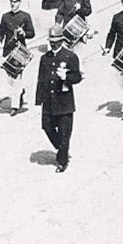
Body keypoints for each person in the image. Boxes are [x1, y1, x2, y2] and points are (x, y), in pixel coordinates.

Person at [36, 25, 83, 173]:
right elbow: (41, 79)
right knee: (47, 126)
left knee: (64, 132)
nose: (53, 43)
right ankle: (61, 148)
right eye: (51, 40)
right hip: (49, 101)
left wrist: (66, 78)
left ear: (62, 40)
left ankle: (62, 161)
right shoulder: (45, 58)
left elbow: (77, 77)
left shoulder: (70, 57)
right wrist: (39, 99)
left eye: (56, 40)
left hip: (64, 103)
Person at [0, 0, 36, 116]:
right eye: (11, 2)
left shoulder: (25, 16)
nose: (13, 4)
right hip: (8, 51)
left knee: (16, 77)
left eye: (16, 2)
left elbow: (32, 33)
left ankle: (15, 106)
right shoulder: (5, 17)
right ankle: (20, 92)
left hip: (20, 51)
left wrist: (24, 33)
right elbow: (0, 32)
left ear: (19, 2)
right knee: (10, 79)